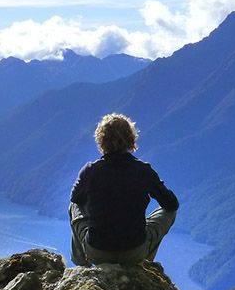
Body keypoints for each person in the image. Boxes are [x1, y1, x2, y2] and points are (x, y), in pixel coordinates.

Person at [69, 113, 179, 267]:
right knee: (169, 212)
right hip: (134, 252)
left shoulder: (90, 171)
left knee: (74, 206)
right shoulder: (143, 170)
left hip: (98, 252)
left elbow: (76, 199)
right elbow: (171, 204)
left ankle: (81, 263)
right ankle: (144, 262)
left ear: (101, 140)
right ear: (131, 139)